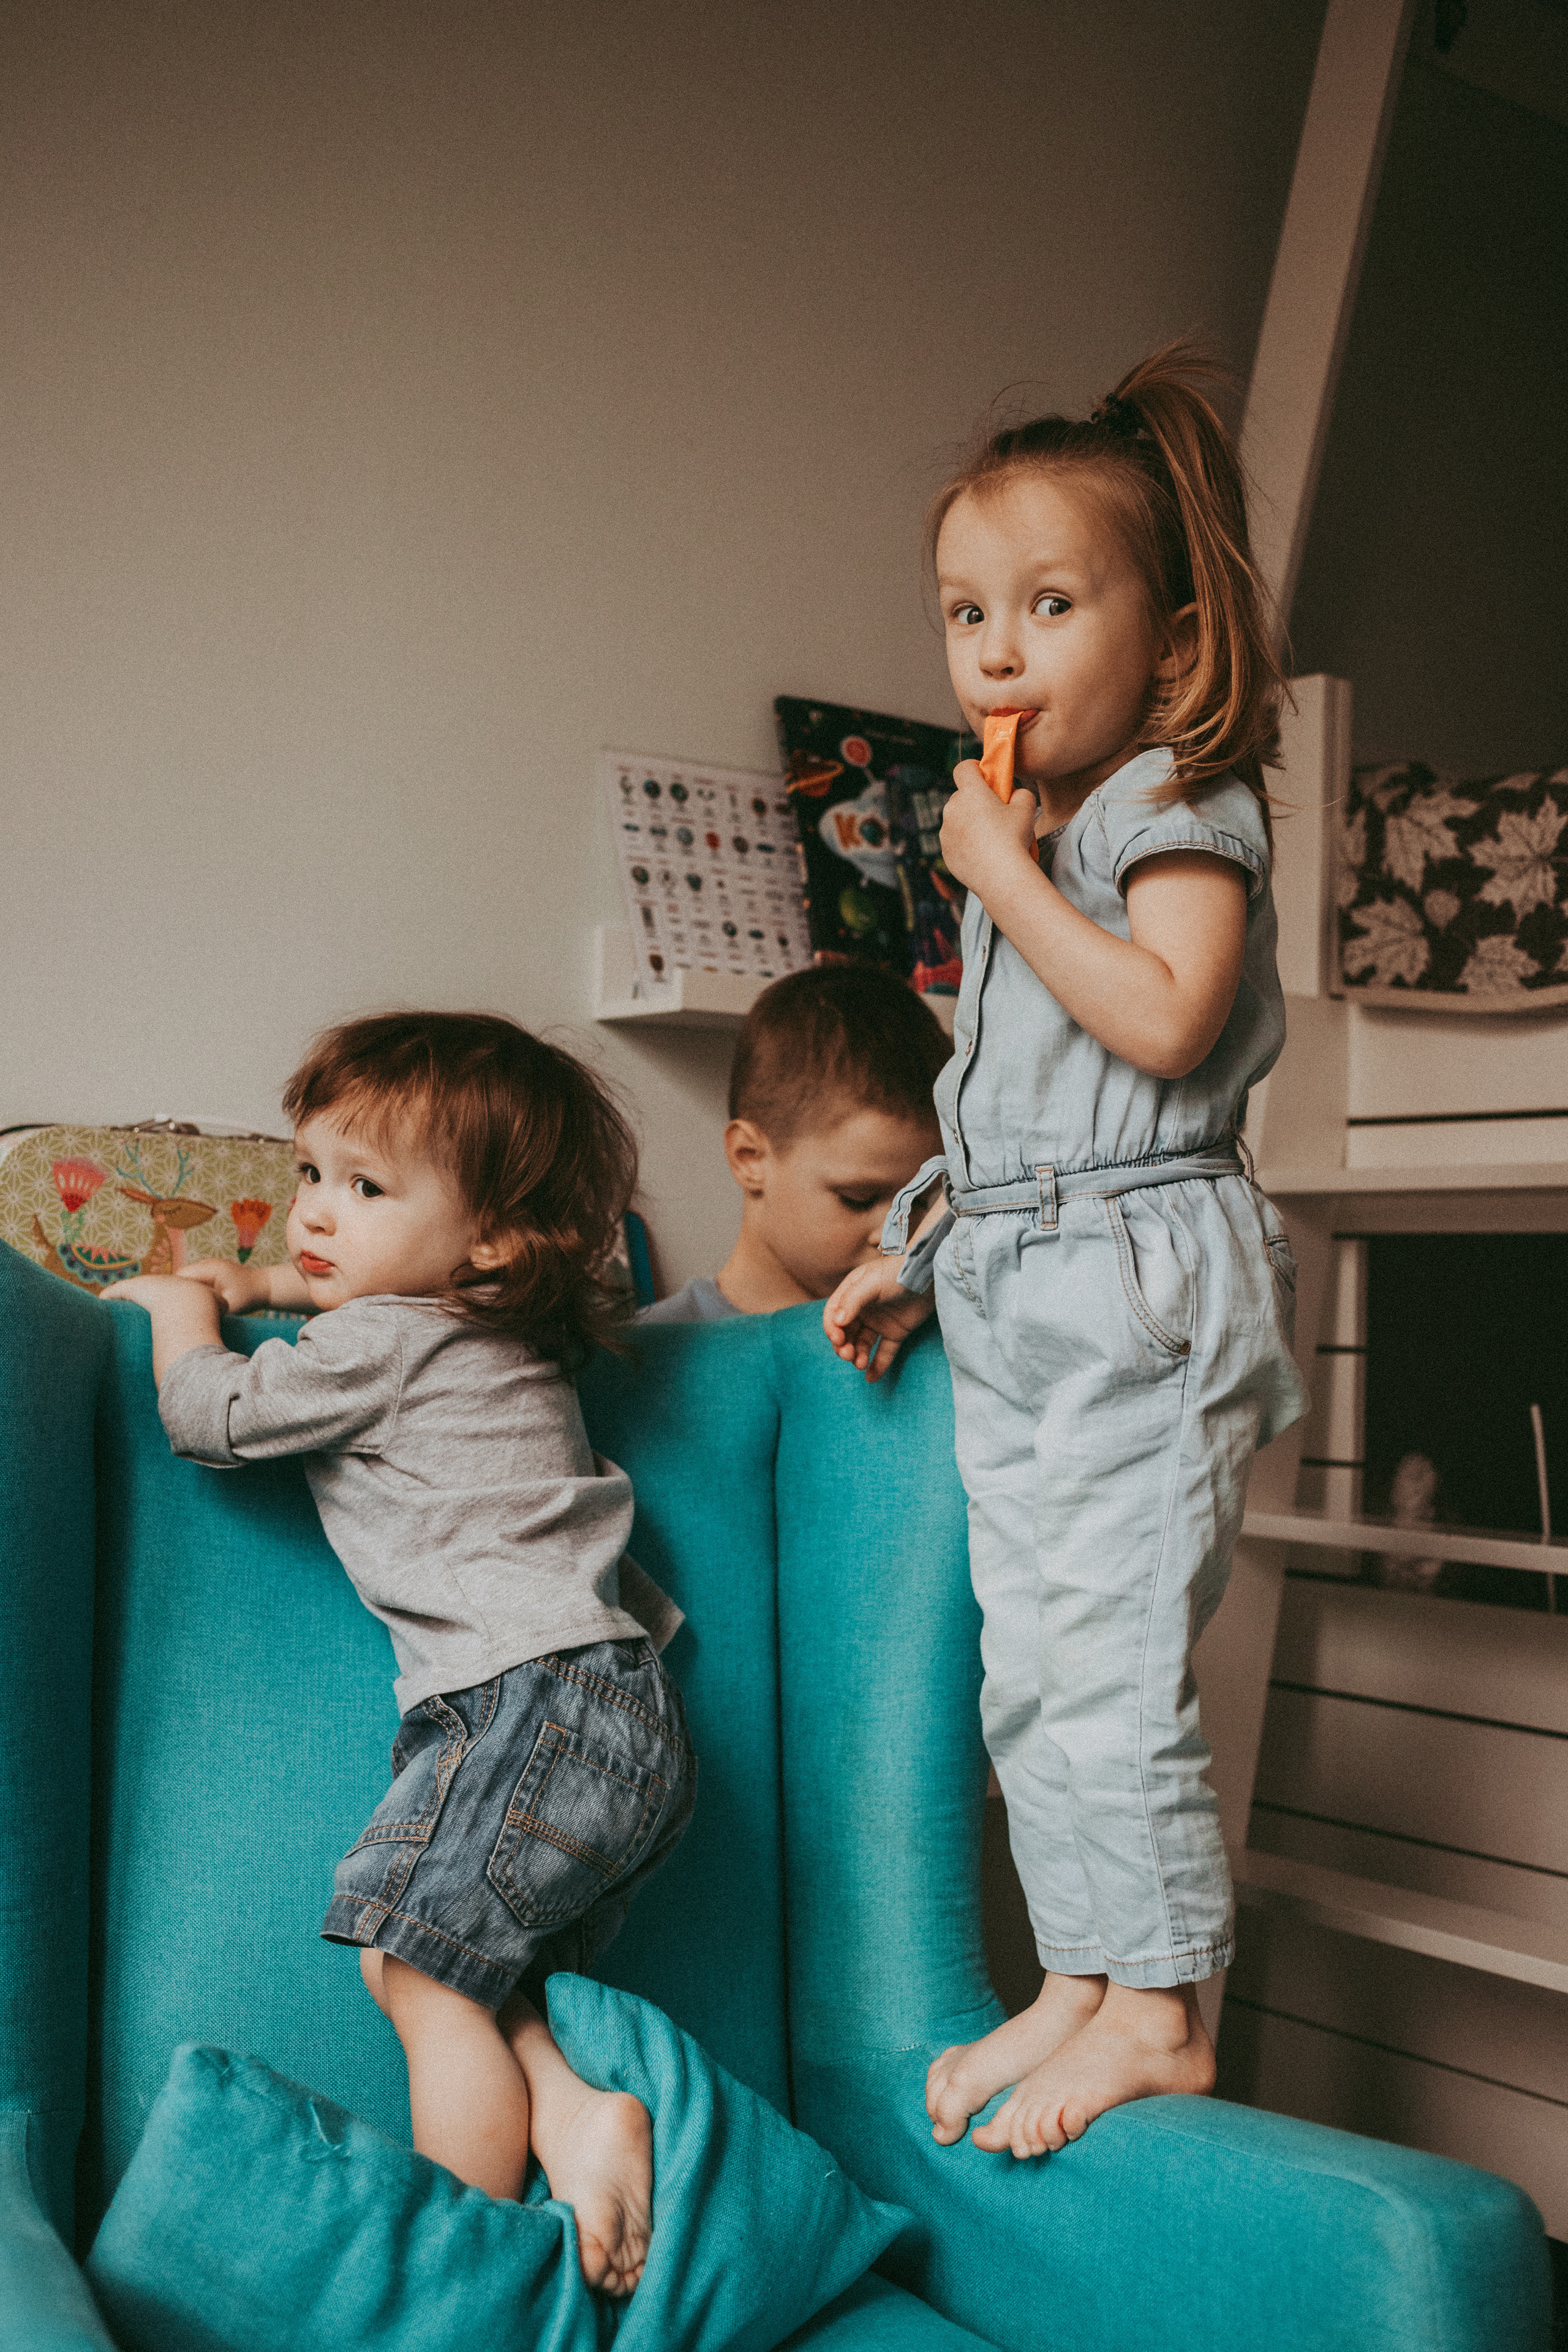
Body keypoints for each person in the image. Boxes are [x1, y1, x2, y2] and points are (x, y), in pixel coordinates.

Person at [823, 344, 1308, 2159]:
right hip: (1023, 1277)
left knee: (1113, 1668)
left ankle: (1163, 2014)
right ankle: (1086, 1976)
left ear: (1171, 650)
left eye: (1046, 602)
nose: (996, 648)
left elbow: (1167, 1028)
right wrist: (906, 1242)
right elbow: (1004, 1104)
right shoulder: (1037, 825)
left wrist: (1006, 879)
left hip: (1138, 1295)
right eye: (966, 611)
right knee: (1026, 1669)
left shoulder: (1175, 801)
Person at [104, 1011, 695, 2297]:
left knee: (422, 1974)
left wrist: (177, 1309)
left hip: (519, 1700)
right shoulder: (510, 1339)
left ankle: (453, 2279)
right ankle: (578, 2117)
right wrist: (269, 1282)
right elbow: (356, 1303)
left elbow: (211, 1418)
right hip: (618, 1713)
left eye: (365, 1188)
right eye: (310, 1171)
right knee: (448, 1969)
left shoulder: (379, 1345)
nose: (314, 1210)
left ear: (485, 1241)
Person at [642, 965, 949, 1323]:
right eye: (858, 1199)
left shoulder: (950, 1340)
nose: (901, 1237)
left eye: (924, 1203)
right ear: (749, 1158)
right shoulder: (641, 1357)